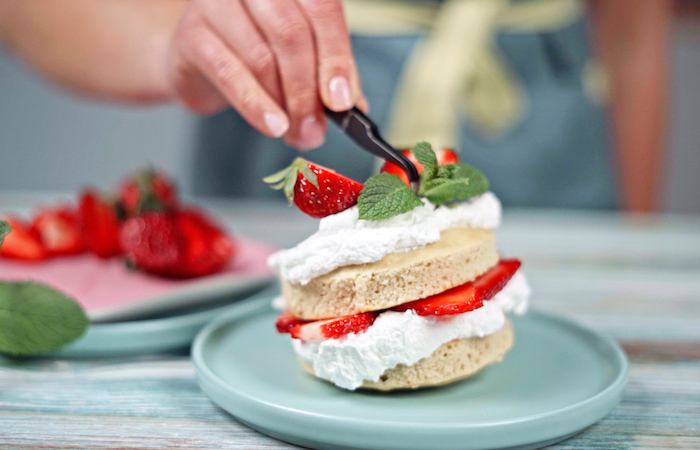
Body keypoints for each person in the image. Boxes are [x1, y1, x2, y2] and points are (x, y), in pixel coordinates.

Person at [0, 0, 671, 211]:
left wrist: (631, 251)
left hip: (553, 140)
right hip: (285, 136)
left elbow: (635, 34)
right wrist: (167, 48)